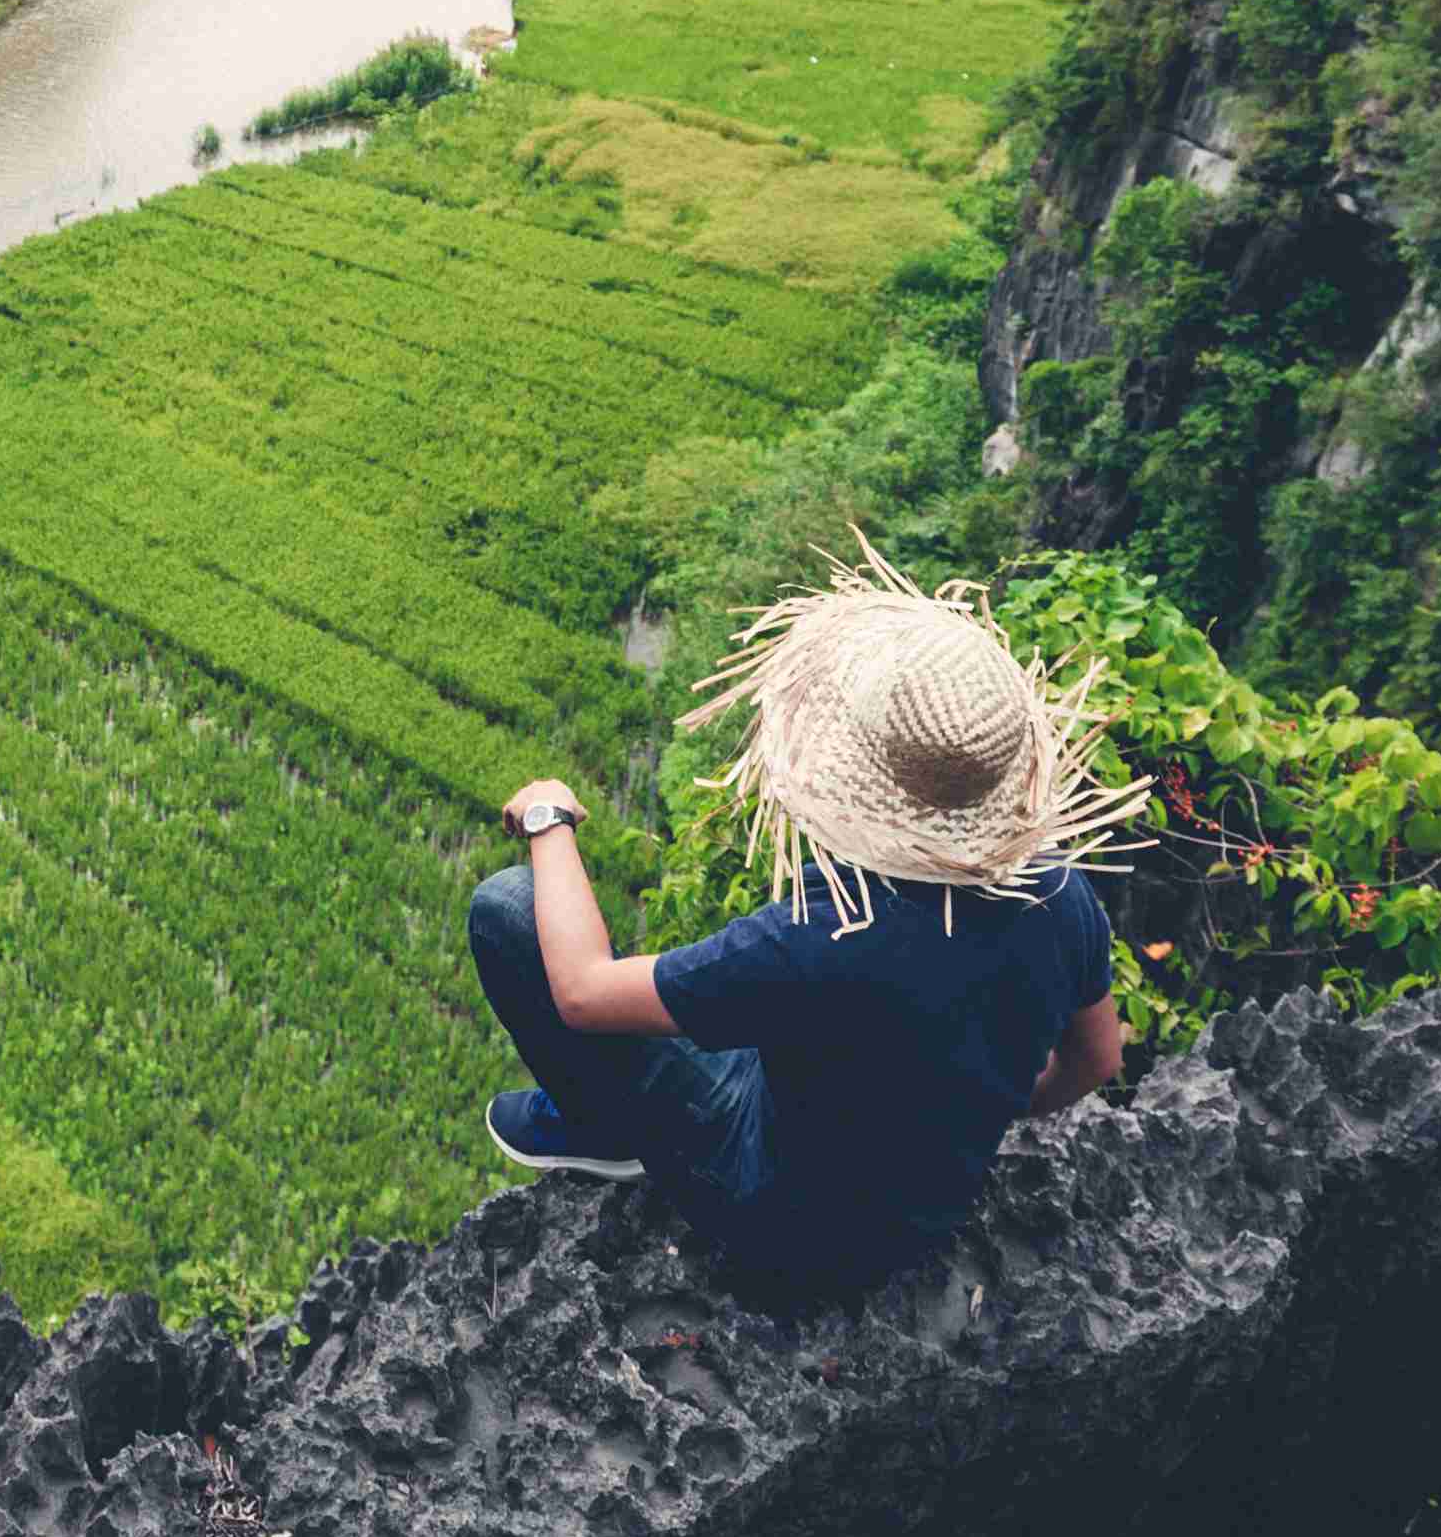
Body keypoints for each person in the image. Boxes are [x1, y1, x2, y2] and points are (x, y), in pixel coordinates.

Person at [467, 554, 1143, 1293]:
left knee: (507, 907)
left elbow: (582, 992)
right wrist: (966, 1112)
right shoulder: (1058, 892)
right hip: (930, 1210)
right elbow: (1097, 1060)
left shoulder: (822, 937)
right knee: (715, 1004)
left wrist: (548, 817)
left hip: (779, 1221)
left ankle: (602, 1130)